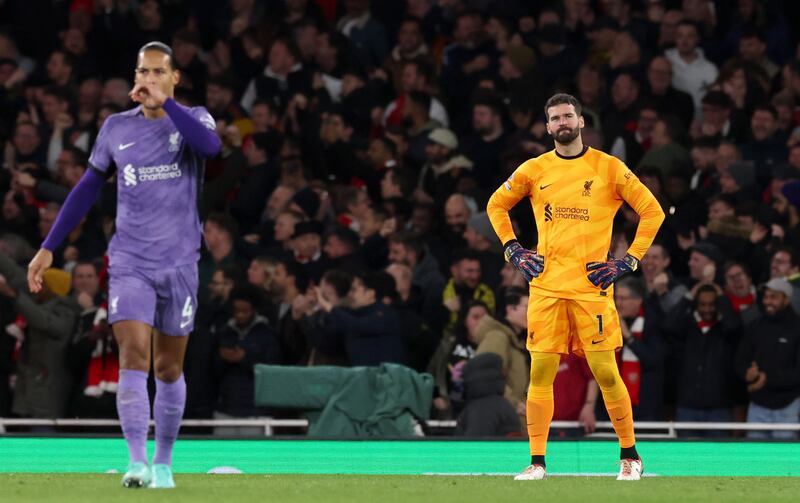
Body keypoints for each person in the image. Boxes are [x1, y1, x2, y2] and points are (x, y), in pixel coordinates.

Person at [26, 42, 221, 489]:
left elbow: (209, 148)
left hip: (180, 263)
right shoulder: (115, 128)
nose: (148, 80)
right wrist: (49, 246)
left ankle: (165, 463)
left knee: (169, 368)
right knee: (133, 354)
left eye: (157, 72)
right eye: (142, 72)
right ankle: (136, 461)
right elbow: (86, 189)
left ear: (174, 78)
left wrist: (168, 106)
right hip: (131, 259)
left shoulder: (195, 119)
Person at [487, 93, 664, 481]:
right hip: (546, 286)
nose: (562, 122)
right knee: (541, 373)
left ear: (581, 122)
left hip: (591, 288)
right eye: (555, 118)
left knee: (605, 372)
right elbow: (495, 205)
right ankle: (537, 463)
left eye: (569, 116)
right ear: (548, 127)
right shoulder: (534, 169)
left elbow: (653, 210)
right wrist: (513, 250)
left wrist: (629, 260)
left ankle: (630, 456)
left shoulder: (608, 167)